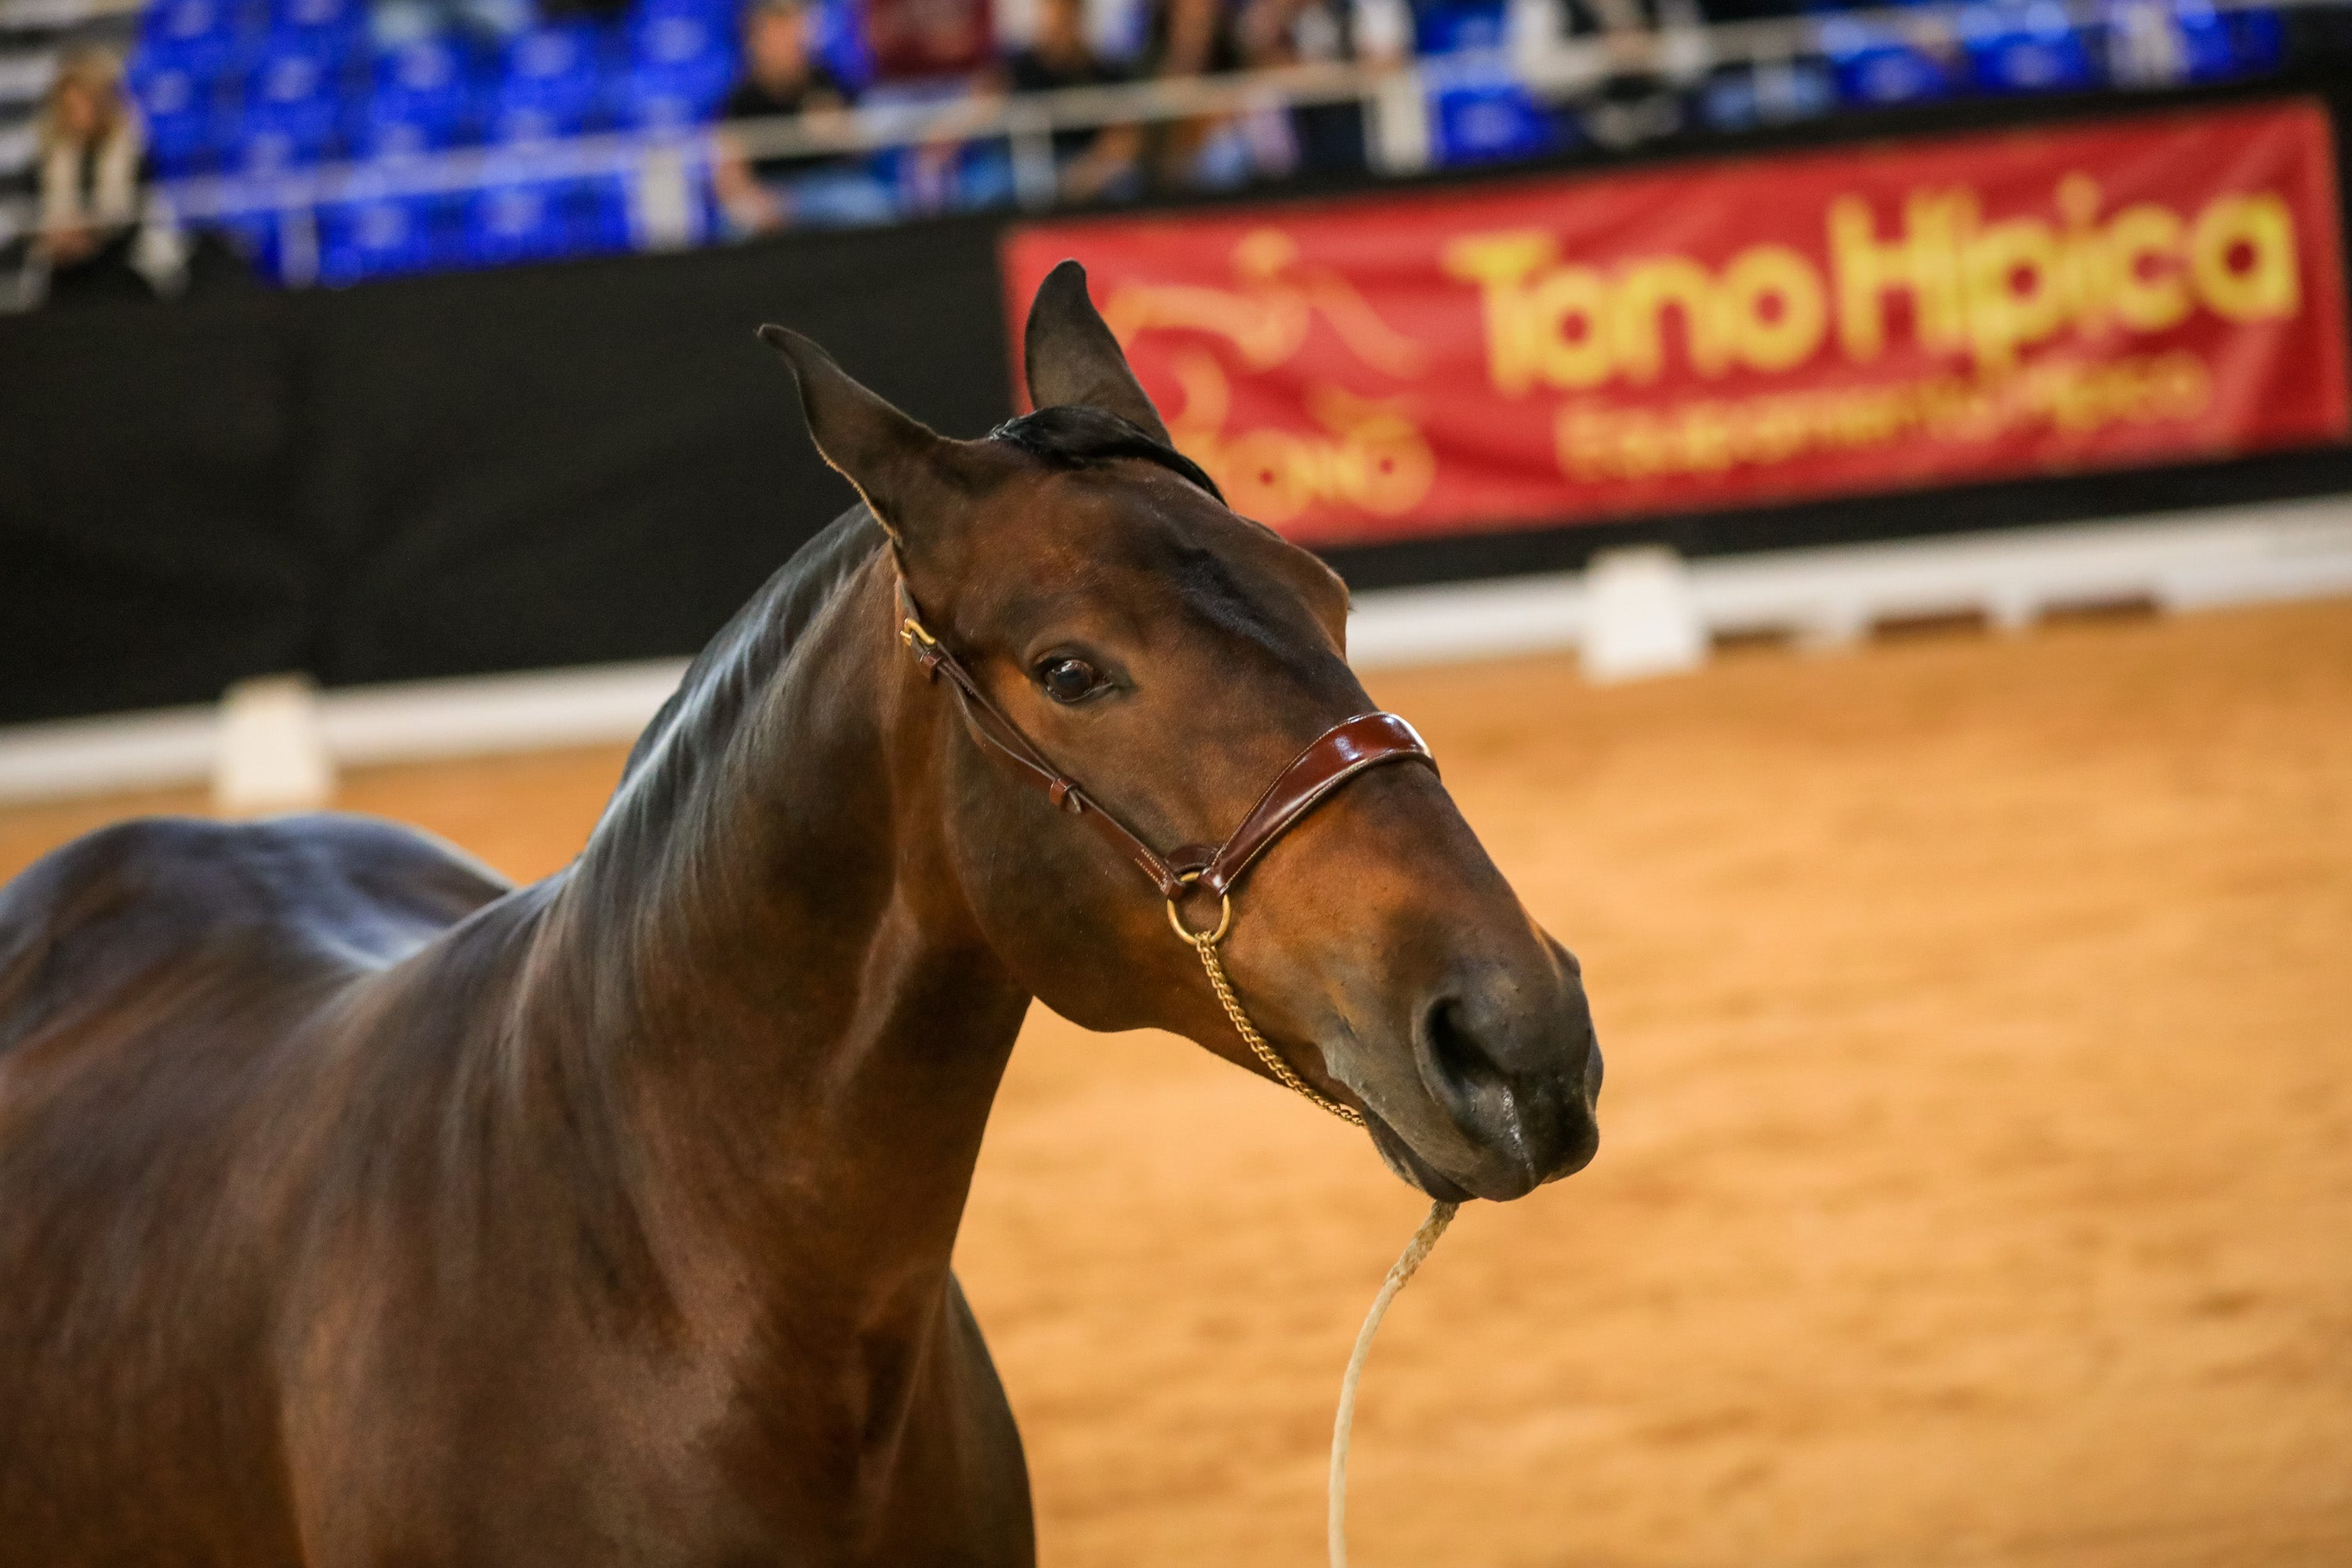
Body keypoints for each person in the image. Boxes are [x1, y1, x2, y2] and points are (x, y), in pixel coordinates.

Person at [711, 0, 891, 232]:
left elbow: (856, 151)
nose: (786, 41)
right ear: (756, 39)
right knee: (735, 224)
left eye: (793, 30)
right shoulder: (738, 97)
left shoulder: (824, 80)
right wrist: (754, 201)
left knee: (867, 203)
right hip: (769, 190)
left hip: (825, 185)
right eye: (777, 31)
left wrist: (835, 130)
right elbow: (730, 171)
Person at [27, 47, 176, 304]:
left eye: (82, 103)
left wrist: (92, 235)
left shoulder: (134, 155)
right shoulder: (50, 160)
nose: (75, 113)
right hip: (66, 274)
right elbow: (31, 216)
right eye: (68, 106)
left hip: (119, 270)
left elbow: (137, 221)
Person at [999, 0, 1142, 202]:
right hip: (1033, 164)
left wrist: (1086, 174)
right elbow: (991, 110)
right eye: (1051, 15)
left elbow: (1124, 137)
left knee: (1125, 182)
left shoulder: (1104, 70)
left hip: (1090, 165)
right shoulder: (1018, 69)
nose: (1056, 25)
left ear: (1078, 17)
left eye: (1064, 16)